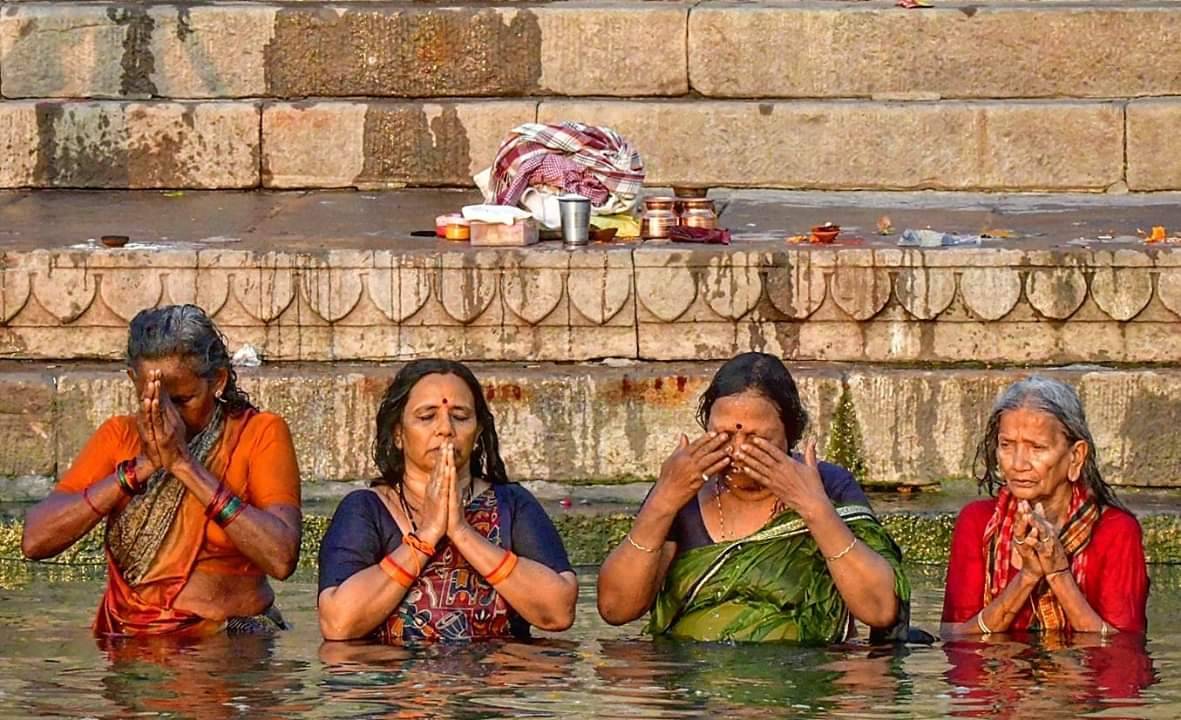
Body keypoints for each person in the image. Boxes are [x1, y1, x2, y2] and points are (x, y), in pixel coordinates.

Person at [21, 305, 302, 637]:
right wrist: (141, 469)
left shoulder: (258, 433)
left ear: (218, 381)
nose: (169, 416)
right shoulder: (118, 437)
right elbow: (35, 542)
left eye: (182, 400)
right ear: (134, 384)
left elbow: (282, 558)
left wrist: (184, 465)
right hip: (132, 642)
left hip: (231, 644)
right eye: (152, 400)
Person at [597, 352, 909, 643]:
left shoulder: (828, 486)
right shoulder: (681, 490)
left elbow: (880, 611)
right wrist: (662, 503)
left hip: (802, 684)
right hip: (693, 684)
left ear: (791, 433)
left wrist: (814, 508)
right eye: (723, 435)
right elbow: (615, 610)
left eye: (756, 438)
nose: (737, 451)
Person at [317, 359, 577, 643]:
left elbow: (559, 612)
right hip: (394, 685)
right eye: (427, 416)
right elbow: (337, 624)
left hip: (494, 682)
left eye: (461, 416)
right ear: (398, 434)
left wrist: (462, 531)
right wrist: (427, 534)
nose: (445, 429)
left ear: (478, 434)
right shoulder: (367, 509)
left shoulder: (511, 503)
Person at [941, 376, 1149, 637]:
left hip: (1080, 676)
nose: (1018, 463)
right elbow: (955, 639)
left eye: (1037, 447)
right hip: (1000, 676)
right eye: (1006, 445)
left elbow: (1124, 653)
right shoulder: (976, 521)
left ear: (1076, 457)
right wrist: (1027, 577)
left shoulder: (1116, 531)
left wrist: (1058, 573)